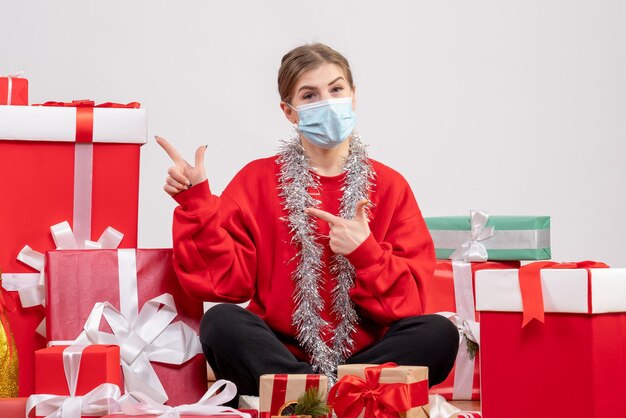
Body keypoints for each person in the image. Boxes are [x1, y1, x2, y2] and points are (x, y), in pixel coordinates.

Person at [157, 43, 458, 398]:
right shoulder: (256, 180)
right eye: (310, 95)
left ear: (353, 96)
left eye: (336, 89)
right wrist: (198, 206)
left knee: (438, 333)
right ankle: (337, 396)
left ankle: (308, 398)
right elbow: (224, 285)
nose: (327, 102)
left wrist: (366, 253)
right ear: (289, 111)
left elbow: (410, 302)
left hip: (367, 358)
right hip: (280, 353)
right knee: (221, 322)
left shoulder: (390, 185)